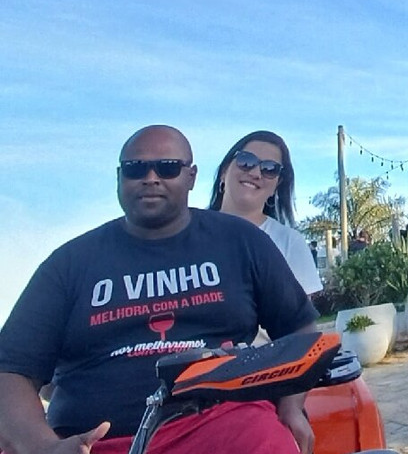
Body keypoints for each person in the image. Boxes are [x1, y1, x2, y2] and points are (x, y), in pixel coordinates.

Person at [0, 125, 318, 454]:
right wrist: (45, 447)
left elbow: (299, 328)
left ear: (191, 177)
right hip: (95, 441)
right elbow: (10, 369)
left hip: (224, 425)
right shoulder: (69, 263)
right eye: (135, 169)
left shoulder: (242, 241)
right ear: (119, 177)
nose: (150, 178)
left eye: (167, 168)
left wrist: (292, 406)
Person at [209, 130, 322, 296]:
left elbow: (299, 312)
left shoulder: (290, 243)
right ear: (224, 171)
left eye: (270, 169)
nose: (255, 173)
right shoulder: (186, 232)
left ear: (277, 185)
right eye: (246, 161)